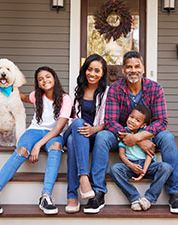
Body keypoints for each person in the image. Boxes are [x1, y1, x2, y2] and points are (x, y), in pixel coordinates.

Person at [85, 50, 178, 214]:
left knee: (167, 137)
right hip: (121, 133)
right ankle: (98, 192)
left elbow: (161, 121)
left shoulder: (155, 88)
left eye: (137, 66)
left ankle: (176, 193)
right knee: (102, 136)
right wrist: (136, 140)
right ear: (123, 70)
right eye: (129, 67)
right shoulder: (115, 89)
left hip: (148, 133)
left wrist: (140, 136)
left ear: (143, 68)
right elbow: (111, 121)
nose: (133, 70)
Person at [0, 66, 72, 215]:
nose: (45, 80)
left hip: (53, 134)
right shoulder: (36, 95)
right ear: (38, 83)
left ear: (54, 78)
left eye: (48, 77)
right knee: (22, 150)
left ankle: (46, 196)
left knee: (56, 147)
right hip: (33, 131)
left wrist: (38, 146)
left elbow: (58, 129)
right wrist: (6, 88)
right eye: (40, 79)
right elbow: (22, 97)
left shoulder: (65, 99)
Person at [64, 54, 109, 213]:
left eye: (97, 70)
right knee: (77, 122)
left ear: (102, 73)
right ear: (85, 70)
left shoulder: (106, 92)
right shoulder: (78, 89)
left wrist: (93, 130)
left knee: (71, 142)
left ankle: (72, 196)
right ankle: (84, 178)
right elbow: (72, 118)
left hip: (94, 133)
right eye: (90, 69)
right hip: (77, 129)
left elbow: (107, 121)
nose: (92, 73)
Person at [110, 104, 173, 211]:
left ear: (143, 125)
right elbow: (121, 154)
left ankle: (149, 199)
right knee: (114, 169)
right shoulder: (124, 133)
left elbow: (150, 154)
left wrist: (144, 170)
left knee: (166, 167)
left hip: (147, 165)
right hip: (130, 165)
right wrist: (131, 165)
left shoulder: (145, 134)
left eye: (137, 120)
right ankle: (134, 198)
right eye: (131, 117)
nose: (132, 121)